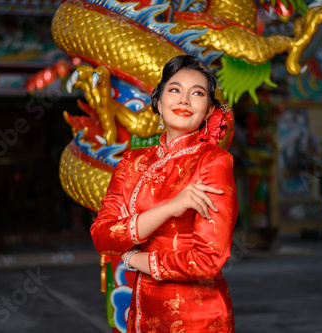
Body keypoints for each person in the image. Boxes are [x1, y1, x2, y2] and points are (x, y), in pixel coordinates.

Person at [91, 55, 238, 332]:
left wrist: (133, 258)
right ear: (158, 103)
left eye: (198, 93)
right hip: (140, 315)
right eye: (174, 90)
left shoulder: (213, 161)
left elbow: (207, 260)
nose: (184, 100)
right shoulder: (132, 162)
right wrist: (171, 207)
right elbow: (102, 236)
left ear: (208, 111)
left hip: (198, 318)